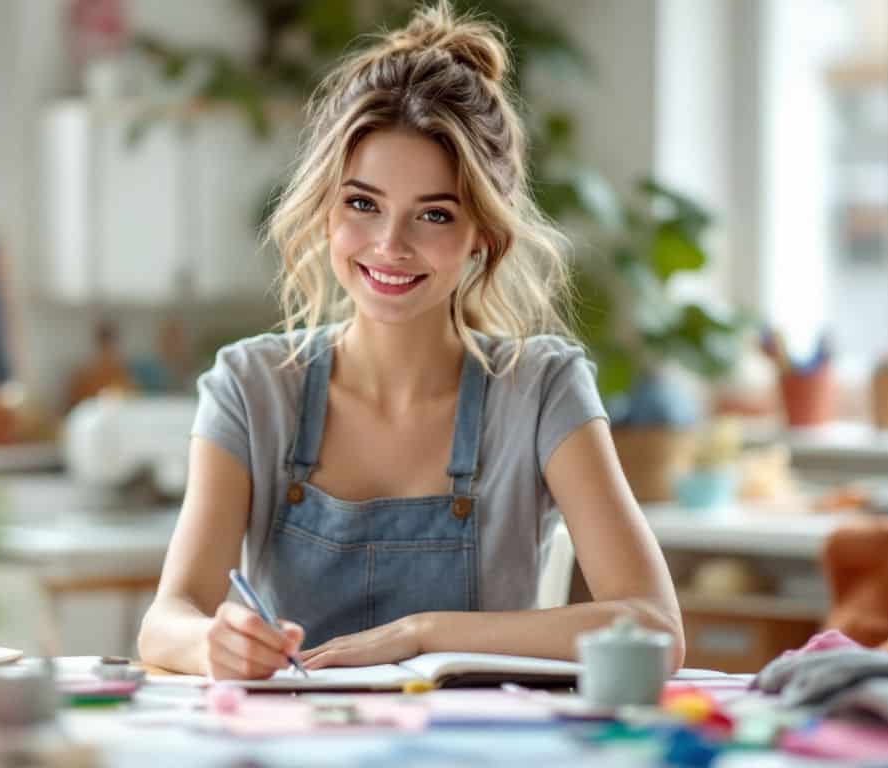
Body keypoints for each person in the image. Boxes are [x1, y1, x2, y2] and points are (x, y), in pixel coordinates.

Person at [138, 1, 683, 680]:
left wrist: (423, 635)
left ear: (482, 233)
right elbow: (168, 619)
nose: (390, 247)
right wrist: (210, 643)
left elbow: (653, 622)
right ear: (325, 208)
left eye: (433, 214)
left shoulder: (541, 388)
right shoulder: (251, 387)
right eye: (362, 204)